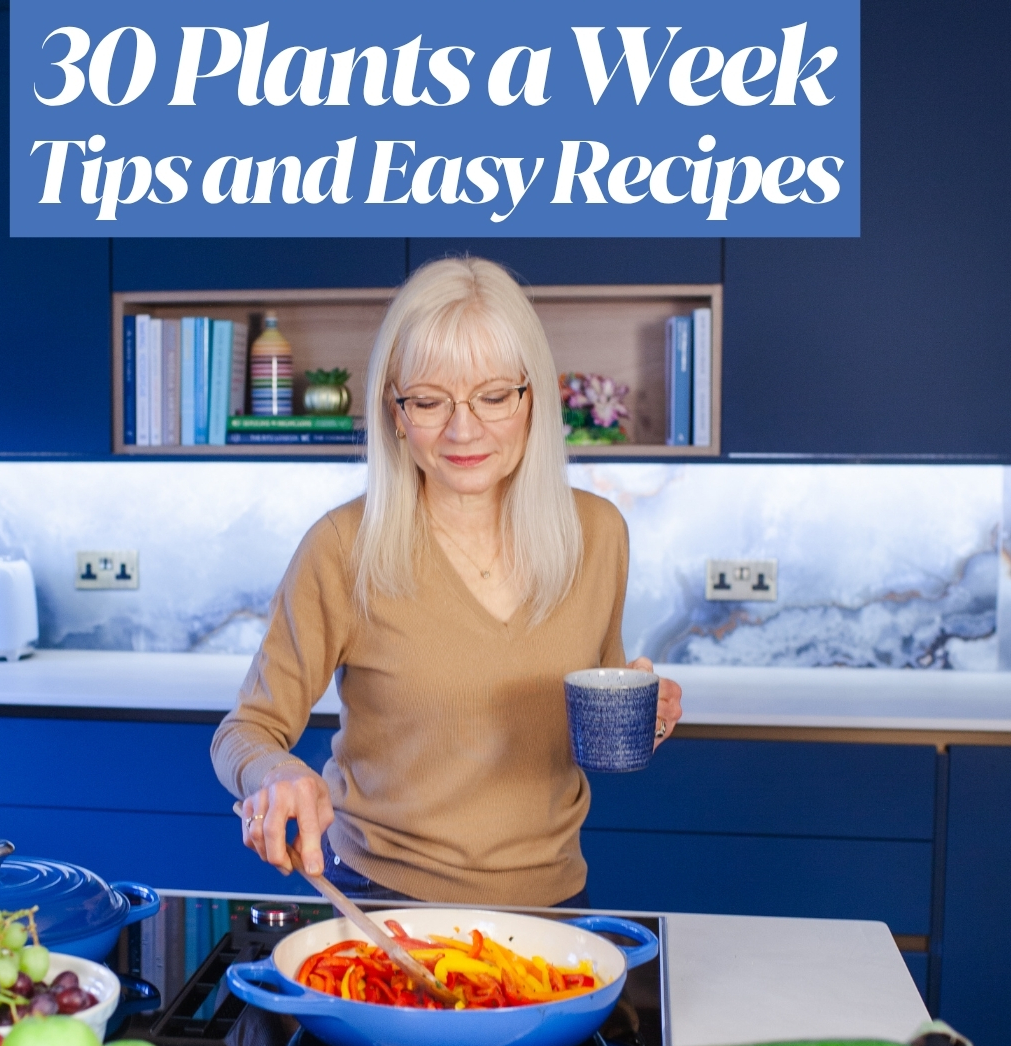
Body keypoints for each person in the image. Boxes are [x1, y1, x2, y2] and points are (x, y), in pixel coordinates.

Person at [211, 256, 683, 907]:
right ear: (396, 413)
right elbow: (245, 730)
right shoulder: (344, 546)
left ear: (532, 399)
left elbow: (590, 699)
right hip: (379, 901)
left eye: (493, 397)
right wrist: (275, 773)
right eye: (430, 402)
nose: (464, 430)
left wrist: (644, 714)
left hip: (554, 904)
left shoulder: (599, 533)